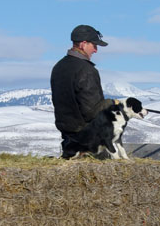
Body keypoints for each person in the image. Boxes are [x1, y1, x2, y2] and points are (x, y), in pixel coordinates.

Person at [50, 24, 126, 159]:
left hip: (68, 138)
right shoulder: (86, 70)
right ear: (83, 44)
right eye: (94, 45)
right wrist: (112, 103)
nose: (96, 50)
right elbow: (92, 111)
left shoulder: (58, 67)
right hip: (88, 141)